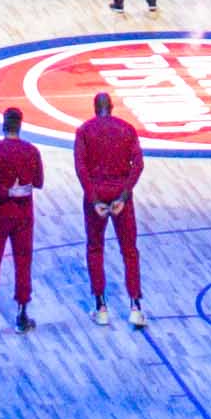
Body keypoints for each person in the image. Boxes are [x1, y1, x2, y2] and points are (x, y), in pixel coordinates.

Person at [71, 94, 148, 312]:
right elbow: (138, 165)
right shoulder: (127, 129)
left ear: (95, 109)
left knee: (95, 248)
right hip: (120, 193)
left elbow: (81, 168)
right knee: (130, 250)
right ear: (111, 108)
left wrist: (94, 199)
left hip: (96, 192)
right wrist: (124, 196)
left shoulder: (84, 131)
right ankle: (135, 305)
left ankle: (101, 305)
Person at [0, 106, 47, 326]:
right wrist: (18, 189)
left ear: (4, 125)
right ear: (20, 125)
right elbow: (39, 182)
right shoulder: (32, 151)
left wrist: (6, 191)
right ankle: (22, 314)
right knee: (23, 261)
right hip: (23, 213)